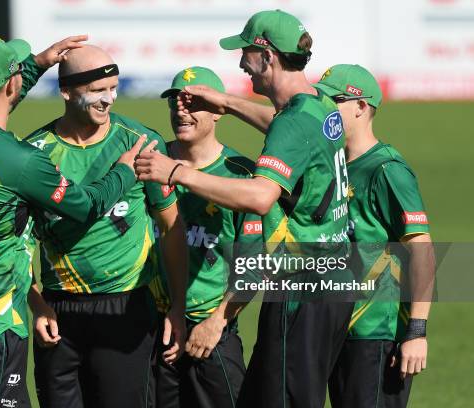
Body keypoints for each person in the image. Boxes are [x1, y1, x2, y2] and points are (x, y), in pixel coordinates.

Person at [135, 10, 354, 408]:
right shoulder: (319, 104)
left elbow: (259, 196)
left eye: (247, 53)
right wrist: (225, 102)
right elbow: (284, 126)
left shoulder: (294, 123)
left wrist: (177, 172)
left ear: (268, 57)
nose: (242, 63)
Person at [0, 35, 149, 408]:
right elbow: (84, 206)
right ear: (13, 83)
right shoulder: (23, 161)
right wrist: (125, 172)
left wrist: (38, 62)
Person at [23, 44, 188, 408]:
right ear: (66, 92)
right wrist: (36, 305)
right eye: (97, 91)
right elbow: (16, 247)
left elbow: (171, 225)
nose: (109, 99)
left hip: (126, 310)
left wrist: (177, 305)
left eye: (113, 88)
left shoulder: (141, 142)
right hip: (57, 315)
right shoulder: (34, 153)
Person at [313, 64, 434, 408]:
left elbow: (422, 250)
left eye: (330, 100)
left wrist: (416, 331)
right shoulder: (332, 165)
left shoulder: (388, 170)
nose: (323, 109)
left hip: (375, 335)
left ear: (361, 106)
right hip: (337, 330)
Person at [150, 66, 267, 408]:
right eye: (175, 102)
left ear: (218, 111)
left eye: (193, 102)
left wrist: (217, 323)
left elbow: (254, 264)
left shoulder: (242, 175)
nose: (181, 110)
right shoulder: (149, 162)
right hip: (150, 330)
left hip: (210, 335)